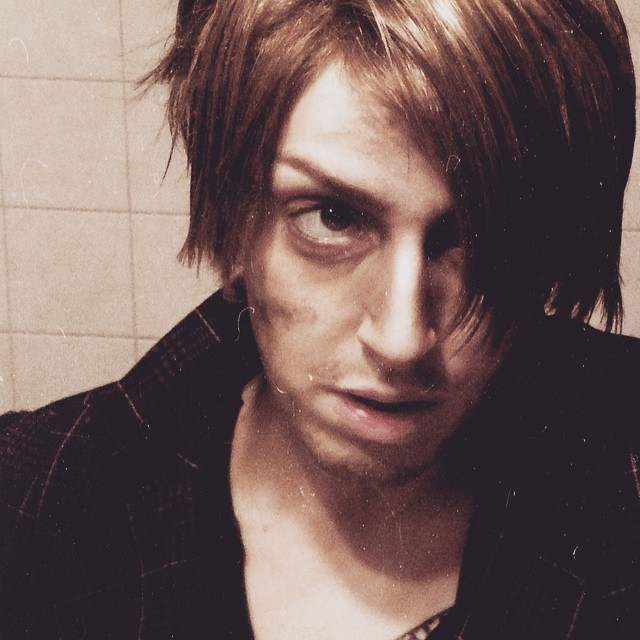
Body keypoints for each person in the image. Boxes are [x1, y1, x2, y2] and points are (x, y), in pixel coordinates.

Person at [1, 0, 639, 638]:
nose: (400, 341)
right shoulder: (34, 507)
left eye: (479, 233)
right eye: (333, 217)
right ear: (234, 211)